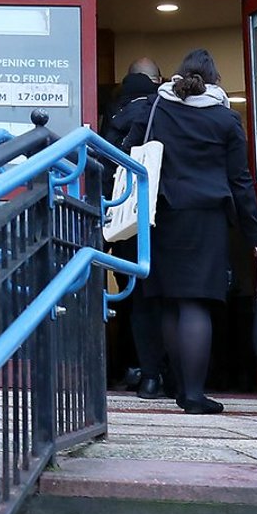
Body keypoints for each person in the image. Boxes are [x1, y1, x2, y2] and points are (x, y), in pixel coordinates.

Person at [138, 48, 257, 413]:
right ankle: (194, 395)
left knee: (170, 302)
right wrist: (255, 234)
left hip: (164, 214)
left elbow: (130, 150)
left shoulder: (156, 108)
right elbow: (240, 180)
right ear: (214, 80)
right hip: (206, 219)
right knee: (195, 303)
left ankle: (180, 389)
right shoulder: (226, 120)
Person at [100, 58, 168, 394]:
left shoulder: (112, 112)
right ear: (157, 79)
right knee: (158, 296)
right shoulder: (159, 109)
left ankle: (133, 369)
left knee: (130, 294)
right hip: (154, 216)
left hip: (120, 216)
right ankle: (159, 373)